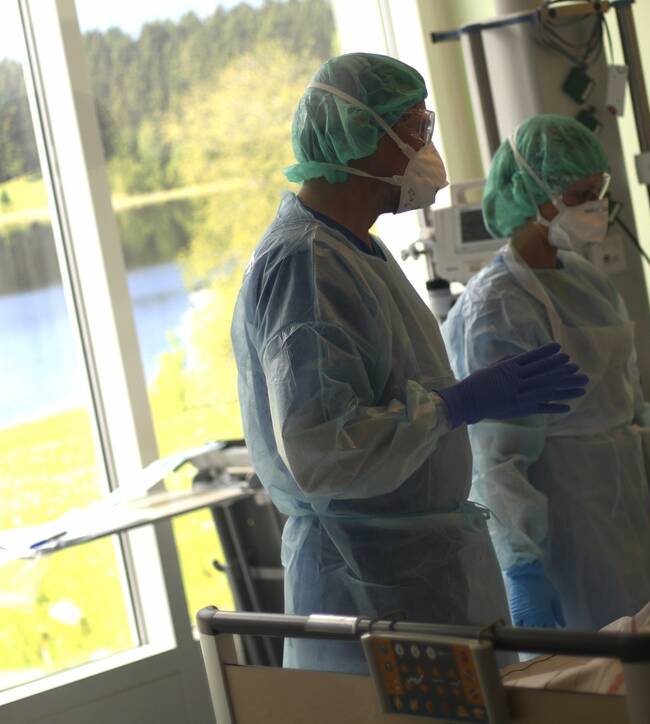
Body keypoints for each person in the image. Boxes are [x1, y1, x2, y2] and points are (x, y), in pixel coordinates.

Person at [230, 54, 587, 674]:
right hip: (365, 580)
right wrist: (454, 405)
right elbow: (321, 450)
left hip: (409, 572)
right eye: (415, 129)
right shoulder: (306, 263)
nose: (427, 148)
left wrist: (454, 407)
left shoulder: (356, 250)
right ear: (357, 137)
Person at [443, 115, 650, 631]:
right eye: (578, 195)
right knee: (590, 667)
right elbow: (495, 455)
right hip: (560, 532)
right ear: (531, 196)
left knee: (646, 650)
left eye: (598, 192)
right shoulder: (497, 306)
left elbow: (631, 409)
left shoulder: (589, 282)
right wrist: (520, 562)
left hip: (625, 514)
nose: (595, 207)